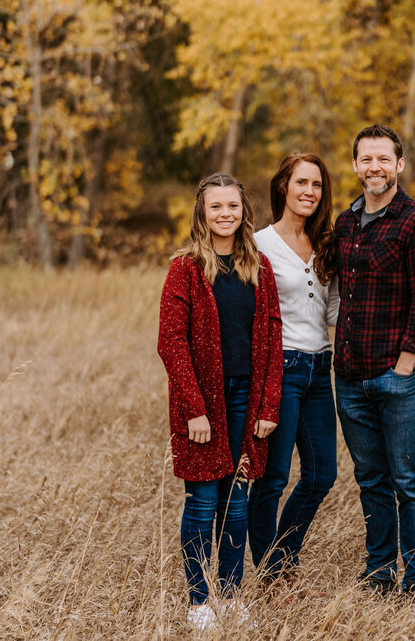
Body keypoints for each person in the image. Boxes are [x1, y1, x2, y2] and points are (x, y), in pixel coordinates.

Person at [157, 173, 283, 630]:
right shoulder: (186, 268)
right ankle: (198, 602)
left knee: (237, 501)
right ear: (202, 212)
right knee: (202, 501)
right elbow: (171, 343)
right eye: (216, 207)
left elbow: (273, 336)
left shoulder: (259, 267)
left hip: (246, 400)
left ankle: (230, 596)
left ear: (243, 210)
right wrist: (194, 409)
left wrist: (268, 407)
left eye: (233, 206)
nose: (225, 214)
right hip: (202, 403)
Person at [334, 124, 415, 595]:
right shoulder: (345, 222)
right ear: (355, 165)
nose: (374, 167)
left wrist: (405, 365)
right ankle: (378, 572)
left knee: (409, 482)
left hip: (396, 378)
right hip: (349, 378)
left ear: (399, 164)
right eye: (366, 159)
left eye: (384, 159)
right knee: (370, 480)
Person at [248, 154, 339, 584]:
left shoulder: (325, 245)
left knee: (322, 474)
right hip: (280, 369)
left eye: (317, 185)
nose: (309, 191)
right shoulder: (259, 244)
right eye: (301, 182)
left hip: (320, 368)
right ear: (283, 186)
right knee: (273, 478)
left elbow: (333, 310)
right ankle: (272, 575)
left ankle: (282, 559)